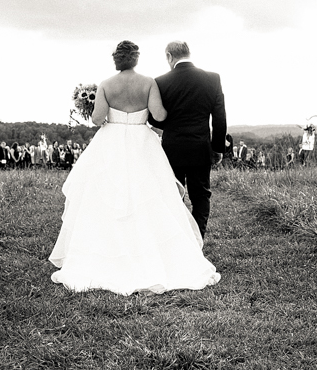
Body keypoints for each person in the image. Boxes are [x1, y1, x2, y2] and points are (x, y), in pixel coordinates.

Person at [49, 40, 220, 295]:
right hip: (142, 141)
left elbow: (97, 119)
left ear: (116, 60)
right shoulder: (149, 82)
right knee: (149, 195)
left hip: (112, 142)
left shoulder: (106, 84)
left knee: (106, 196)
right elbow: (159, 116)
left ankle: (107, 252)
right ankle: (152, 252)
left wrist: (96, 107)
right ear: (136, 60)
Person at [148, 41, 227, 239]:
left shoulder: (160, 82)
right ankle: (197, 238)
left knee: (174, 194)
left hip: (172, 148)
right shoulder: (212, 79)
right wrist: (217, 149)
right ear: (189, 53)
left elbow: (153, 117)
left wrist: (173, 126)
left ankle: (178, 239)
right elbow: (219, 117)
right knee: (201, 195)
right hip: (200, 147)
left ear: (169, 56)